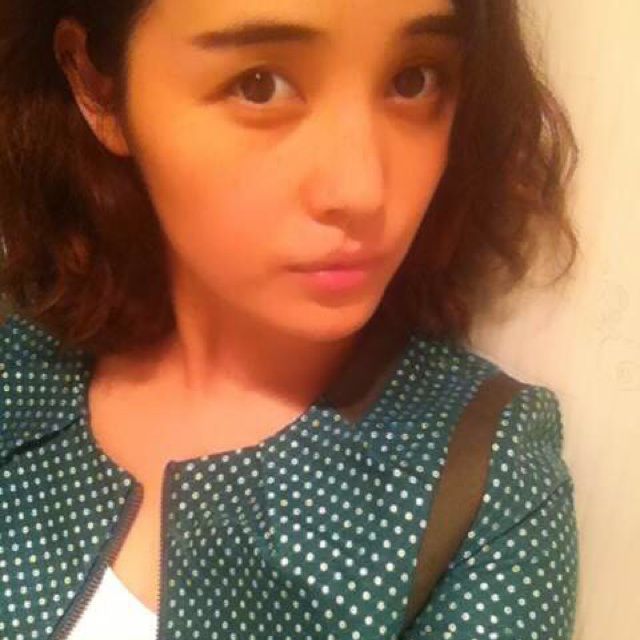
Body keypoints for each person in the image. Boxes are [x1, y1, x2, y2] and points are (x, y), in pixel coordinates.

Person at [0, 1, 580, 638]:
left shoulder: (486, 481)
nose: (362, 190)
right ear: (97, 87)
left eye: (413, 80)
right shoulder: (19, 367)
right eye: (259, 85)